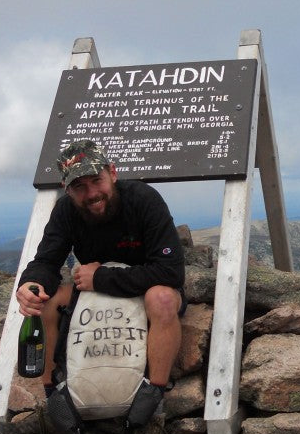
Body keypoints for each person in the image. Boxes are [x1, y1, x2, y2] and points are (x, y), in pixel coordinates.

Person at [15, 139, 185, 415]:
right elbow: (47, 260)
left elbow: (171, 271)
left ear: (113, 173)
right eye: (80, 187)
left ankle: (153, 399)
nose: (91, 193)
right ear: (67, 190)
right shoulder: (66, 212)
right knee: (44, 302)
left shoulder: (143, 199)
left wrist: (102, 278)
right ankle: (54, 400)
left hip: (142, 289)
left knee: (163, 298)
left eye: (97, 180)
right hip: (94, 289)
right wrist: (32, 283)